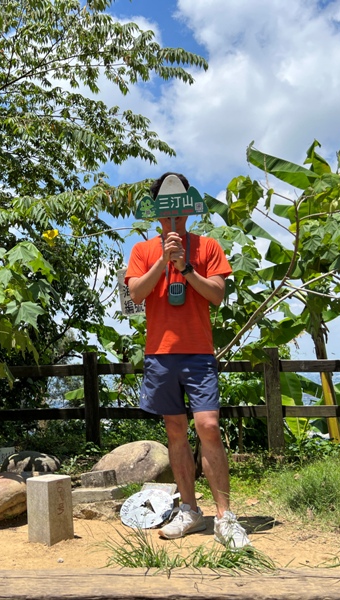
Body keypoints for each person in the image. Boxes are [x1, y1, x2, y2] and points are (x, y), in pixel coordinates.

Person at [125, 172, 250, 548]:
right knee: (175, 432)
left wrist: (187, 267)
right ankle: (191, 511)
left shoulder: (208, 247)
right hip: (160, 354)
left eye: (179, 214)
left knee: (208, 426)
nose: (174, 222)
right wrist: (163, 262)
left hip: (198, 352)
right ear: (156, 214)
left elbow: (216, 295)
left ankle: (226, 517)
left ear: (189, 211)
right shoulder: (142, 251)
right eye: (167, 215)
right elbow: (135, 294)